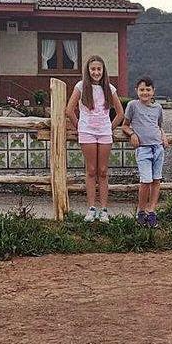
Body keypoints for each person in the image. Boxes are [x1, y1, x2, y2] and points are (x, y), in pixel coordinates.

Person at [65, 55, 124, 222]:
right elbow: (69, 110)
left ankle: (104, 209)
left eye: (99, 69)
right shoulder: (81, 87)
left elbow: (120, 114)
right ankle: (91, 208)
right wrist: (79, 126)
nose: (96, 72)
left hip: (104, 133)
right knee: (91, 170)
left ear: (103, 70)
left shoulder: (110, 89)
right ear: (88, 70)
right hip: (87, 133)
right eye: (93, 69)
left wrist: (109, 128)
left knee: (103, 171)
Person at [122, 77, 169, 227]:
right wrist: (132, 134)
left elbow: (158, 126)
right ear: (136, 91)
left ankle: (152, 211)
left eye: (148, 89)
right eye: (142, 89)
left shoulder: (158, 108)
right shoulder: (132, 105)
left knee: (156, 181)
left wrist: (164, 135)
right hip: (143, 149)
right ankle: (141, 211)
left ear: (153, 91)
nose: (145, 92)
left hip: (158, 148)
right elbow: (125, 126)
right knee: (146, 181)